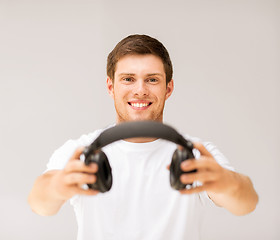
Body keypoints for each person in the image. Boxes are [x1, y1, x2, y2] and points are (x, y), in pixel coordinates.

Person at [28, 34, 258, 240]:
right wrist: (58, 186)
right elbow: (39, 203)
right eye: (128, 79)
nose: (140, 90)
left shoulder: (194, 154)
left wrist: (226, 182)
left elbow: (247, 203)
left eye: (152, 79)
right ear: (111, 87)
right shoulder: (83, 152)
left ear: (168, 88)